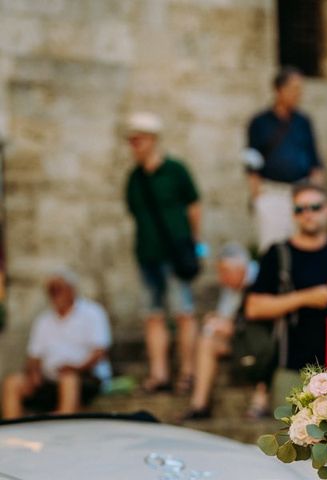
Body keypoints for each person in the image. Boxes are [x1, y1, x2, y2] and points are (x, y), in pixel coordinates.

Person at [245, 183, 327, 407]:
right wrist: (305, 297)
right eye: (300, 209)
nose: (308, 214)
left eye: (315, 207)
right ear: (293, 215)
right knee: (292, 437)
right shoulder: (277, 254)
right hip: (290, 368)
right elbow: (253, 307)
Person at [124, 112, 202, 394]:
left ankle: (188, 372)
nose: (134, 146)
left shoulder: (176, 171)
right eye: (131, 141)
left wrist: (196, 245)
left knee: (183, 312)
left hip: (175, 254)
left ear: (152, 140)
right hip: (147, 255)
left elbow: (194, 207)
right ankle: (159, 374)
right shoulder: (134, 178)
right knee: (153, 315)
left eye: (138, 140)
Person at [1, 269, 112, 419]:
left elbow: (99, 352)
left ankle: (63, 427)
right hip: (50, 380)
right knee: (12, 383)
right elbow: (34, 356)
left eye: (58, 289)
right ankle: (12, 431)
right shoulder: (43, 320)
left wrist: (76, 368)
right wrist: (34, 373)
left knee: (68, 379)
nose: (54, 294)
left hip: (86, 377)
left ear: (71, 289)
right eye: (51, 290)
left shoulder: (93, 313)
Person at [244, 66, 324, 252]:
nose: (298, 94)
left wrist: (317, 197)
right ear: (279, 90)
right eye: (294, 89)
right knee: (273, 248)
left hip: (301, 192)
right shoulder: (260, 123)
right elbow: (252, 165)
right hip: (272, 194)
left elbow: (315, 162)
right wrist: (258, 199)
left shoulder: (303, 122)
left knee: (305, 245)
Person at [181, 243, 260, 420]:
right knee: (206, 340)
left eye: (224, 272)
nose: (221, 278)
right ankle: (199, 404)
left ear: (240, 269)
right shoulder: (231, 286)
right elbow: (225, 315)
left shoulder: (260, 279)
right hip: (238, 339)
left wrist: (230, 324)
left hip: (259, 341)